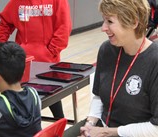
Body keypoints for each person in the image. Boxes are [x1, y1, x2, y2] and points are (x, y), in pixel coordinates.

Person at [64, 0, 158, 136]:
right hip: (103, 126)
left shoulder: (154, 60)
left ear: (133, 22)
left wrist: (108, 132)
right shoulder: (107, 50)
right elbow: (98, 97)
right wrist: (90, 123)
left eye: (110, 21)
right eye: (104, 20)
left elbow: (156, 129)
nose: (103, 28)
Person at [0, 0, 72, 118]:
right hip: (22, 63)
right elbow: (5, 23)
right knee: (25, 102)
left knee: (52, 97)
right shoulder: (17, 2)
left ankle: (59, 126)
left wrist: (50, 51)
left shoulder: (58, 1)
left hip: (48, 61)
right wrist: (2, 46)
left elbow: (64, 27)